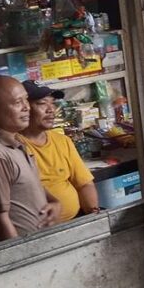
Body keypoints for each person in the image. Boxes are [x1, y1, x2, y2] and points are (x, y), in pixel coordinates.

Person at [0, 75, 61, 242]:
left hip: (43, 245)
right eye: (17, 102)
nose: (26, 107)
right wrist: (19, 256)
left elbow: (28, 185)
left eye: (26, 100)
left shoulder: (16, 141)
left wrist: (54, 202)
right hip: (26, 254)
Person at [19, 80, 100, 222]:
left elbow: (84, 184)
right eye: (42, 103)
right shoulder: (15, 147)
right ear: (25, 108)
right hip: (38, 230)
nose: (51, 109)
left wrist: (93, 214)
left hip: (76, 221)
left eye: (53, 103)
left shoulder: (62, 141)